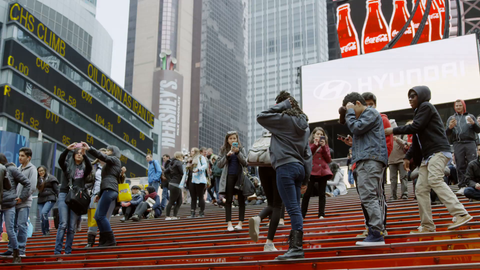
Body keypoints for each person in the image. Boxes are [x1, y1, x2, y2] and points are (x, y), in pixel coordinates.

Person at [385, 86, 472, 233]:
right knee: (420, 189)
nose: (410, 98)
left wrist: (393, 130)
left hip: (438, 151)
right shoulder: (420, 111)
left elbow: (415, 127)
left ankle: (460, 213)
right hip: (428, 156)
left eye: (414, 95)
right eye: (409, 96)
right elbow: (418, 140)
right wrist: (407, 157)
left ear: (422, 96)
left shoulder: (426, 106)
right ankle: (427, 225)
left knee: (435, 180)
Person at [257, 91, 312, 260]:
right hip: (299, 168)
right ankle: (295, 245)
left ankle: (296, 247)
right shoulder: (305, 126)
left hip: (285, 167)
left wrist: (283, 106)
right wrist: (306, 179)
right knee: (294, 208)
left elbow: (261, 116)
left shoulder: (282, 120)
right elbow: (307, 154)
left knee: (292, 209)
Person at [343, 92, 388, 246]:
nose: (351, 113)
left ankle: (376, 232)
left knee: (369, 195)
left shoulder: (370, 112)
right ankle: (374, 231)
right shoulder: (366, 116)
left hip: (370, 160)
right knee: (367, 196)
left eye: (351, 108)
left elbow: (357, 127)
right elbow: (361, 132)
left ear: (357, 103)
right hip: (366, 158)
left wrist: (349, 113)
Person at [55, 144, 92, 255]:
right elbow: (60, 160)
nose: (79, 155)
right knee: (63, 224)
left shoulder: (84, 168)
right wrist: (67, 149)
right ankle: (57, 251)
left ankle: (68, 250)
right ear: (74, 155)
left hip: (76, 197)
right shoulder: (67, 165)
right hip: (64, 194)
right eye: (78, 153)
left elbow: (90, 167)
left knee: (71, 227)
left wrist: (86, 155)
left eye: (81, 154)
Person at [84, 142, 123, 247]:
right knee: (98, 216)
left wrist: (89, 149)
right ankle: (103, 241)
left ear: (113, 152)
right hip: (106, 190)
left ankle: (110, 240)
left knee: (100, 216)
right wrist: (99, 194)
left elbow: (102, 156)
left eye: (108, 150)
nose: (106, 152)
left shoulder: (114, 159)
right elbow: (105, 181)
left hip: (110, 190)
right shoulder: (110, 163)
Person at [0, 154, 31, 263]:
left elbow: (27, 183)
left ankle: (16, 253)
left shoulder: (11, 169)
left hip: (9, 203)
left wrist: (21, 197)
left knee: (10, 230)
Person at [445, 99, 480, 196]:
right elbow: (446, 133)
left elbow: (478, 130)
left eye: (460, 105)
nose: (458, 107)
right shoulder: (451, 118)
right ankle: (462, 186)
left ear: (464, 106)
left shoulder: (470, 116)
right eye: (456, 106)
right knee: (460, 164)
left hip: (470, 142)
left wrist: (473, 123)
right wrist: (450, 127)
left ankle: (474, 185)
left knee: (472, 163)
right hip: (457, 143)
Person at [217, 132, 248, 231]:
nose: (233, 140)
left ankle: (240, 223)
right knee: (229, 200)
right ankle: (229, 224)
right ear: (227, 140)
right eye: (230, 138)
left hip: (240, 177)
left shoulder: (241, 149)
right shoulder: (223, 150)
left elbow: (245, 162)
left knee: (241, 200)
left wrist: (238, 152)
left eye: (234, 138)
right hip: (228, 177)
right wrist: (227, 156)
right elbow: (219, 164)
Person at [249, 166, 283, 251]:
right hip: (277, 166)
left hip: (262, 167)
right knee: (277, 205)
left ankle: (258, 218)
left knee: (271, 204)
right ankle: (269, 242)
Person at [11, 147, 37, 257]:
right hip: (14, 202)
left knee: (22, 225)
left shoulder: (32, 169)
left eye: (22, 156)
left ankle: (21, 250)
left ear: (28, 157)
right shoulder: (17, 168)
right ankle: (13, 249)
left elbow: (32, 187)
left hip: (24, 202)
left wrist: (21, 198)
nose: (20, 157)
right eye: (19, 155)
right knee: (13, 227)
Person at [301, 127, 332, 219]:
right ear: (313, 135)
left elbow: (329, 159)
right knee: (307, 193)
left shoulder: (325, 145)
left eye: (321, 134)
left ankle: (321, 214)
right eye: (317, 134)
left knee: (322, 194)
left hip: (322, 171)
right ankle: (302, 214)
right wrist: (315, 145)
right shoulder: (309, 144)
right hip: (312, 171)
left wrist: (324, 146)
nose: (319, 136)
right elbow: (307, 154)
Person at [85, 148, 106, 248]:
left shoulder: (110, 166)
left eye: (105, 154)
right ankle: (90, 241)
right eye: (101, 154)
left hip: (106, 193)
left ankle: (103, 240)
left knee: (103, 218)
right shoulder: (94, 167)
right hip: (94, 194)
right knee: (93, 218)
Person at [388, 121, 409, 201]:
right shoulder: (386, 137)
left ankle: (405, 194)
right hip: (391, 161)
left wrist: (397, 139)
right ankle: (393, 195)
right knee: (392, 179)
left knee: (403, 177)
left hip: (401, 159)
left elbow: (406, 144)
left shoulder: (401, 135)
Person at [36, 166, 59, 236]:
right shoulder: (38, 180)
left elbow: (57, 189)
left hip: (50, 198)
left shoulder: (51, 178)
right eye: (39, 171)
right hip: (41, 199)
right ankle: (44, 232)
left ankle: (47, 230)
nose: (41, 172)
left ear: (45, 170)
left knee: (44, 213)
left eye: (42, 170)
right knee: (41, 216)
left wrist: (59, 198)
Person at [187, 148, 208, 218]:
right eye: (191, 151)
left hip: (199, 179)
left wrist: (198, 169)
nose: (191, 152)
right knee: (193, 197)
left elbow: (205, 165)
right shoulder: (190, 159)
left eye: (192, 151)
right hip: (191, 179)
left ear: (196, 152)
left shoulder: (200, 157)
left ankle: (201, 212)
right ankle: (192, 212)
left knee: (200, 196)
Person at [164, 152, 184, 220]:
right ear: (180, 156)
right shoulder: (178, 163)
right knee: (172, 201)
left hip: (173, 184)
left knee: (179, 201)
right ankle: (167, 216)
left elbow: (165, 172)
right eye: (182, 156)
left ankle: (174, 216)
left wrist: (169, 179)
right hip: (176, 184)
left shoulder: (172, 163)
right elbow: (182, 172)